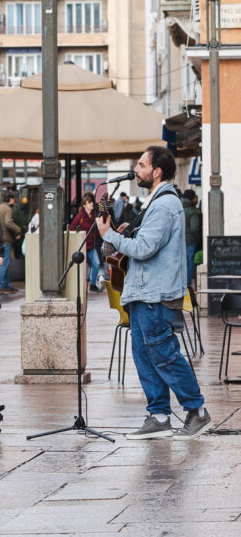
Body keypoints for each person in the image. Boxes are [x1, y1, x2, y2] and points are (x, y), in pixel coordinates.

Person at [96, 146, 211, 440]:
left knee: (164, 355)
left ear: (156, 171)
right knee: (145, 356)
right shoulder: (154, 203)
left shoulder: (163, 205)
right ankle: (159, 416)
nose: (136, 169)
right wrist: (122, 232)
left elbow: (145, 249)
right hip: (143, 293)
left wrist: (108, 234)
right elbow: (144, 241)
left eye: (141, 164)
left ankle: (197, 411)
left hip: (154, 295)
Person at [68, 192, 102, 293]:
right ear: (84, 205)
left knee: (96, 263)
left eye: (92, 202)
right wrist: (79, 238)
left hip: (91, 246)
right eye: (89, 202)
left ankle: (92, 285)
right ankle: (80, 286)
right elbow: (71, 228)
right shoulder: (80, 216)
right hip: (82, 246)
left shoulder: (95, 216)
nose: (92, 204)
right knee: (81, 267)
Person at [0, 191, 22, 293]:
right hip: (5, 240)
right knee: (4, 263)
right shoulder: (8, 209)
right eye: (13, 198)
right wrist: (18, 230)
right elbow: (8, 222)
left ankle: (7, 285)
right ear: (11, 199)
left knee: (0, 262)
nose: (14, 200)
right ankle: (0, 286)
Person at [182, 189, 201, 288]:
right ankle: (187, 284)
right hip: (190, 241)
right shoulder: (192, 211)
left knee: (181, 262)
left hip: (179, 240)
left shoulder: (178, 208)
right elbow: (195, 228)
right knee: (189, 263)